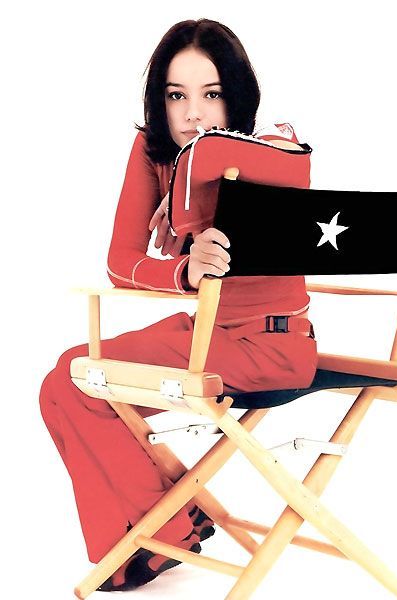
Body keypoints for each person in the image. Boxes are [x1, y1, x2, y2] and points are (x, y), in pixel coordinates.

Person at [39, 18, 318, 592]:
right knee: (62, 383)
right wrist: (183, 270)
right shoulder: (153, 151)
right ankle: (163, 527)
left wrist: (209, 183)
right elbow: (119, 261)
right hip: (206, 332)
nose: (193, 114)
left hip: (272, 346)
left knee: (79, 382)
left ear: (235, 96)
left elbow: (296, 173)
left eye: (211, 94)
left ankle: (152, 539)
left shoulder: (268, 149)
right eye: (176, 95)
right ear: (159, 100)